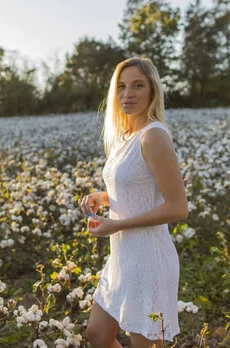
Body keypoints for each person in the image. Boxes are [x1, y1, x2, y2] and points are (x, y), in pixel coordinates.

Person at [80, 56, 188, 348]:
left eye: (137, 86)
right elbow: (137, 186)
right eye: (122, 86)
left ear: (152, 91)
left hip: (149, 259)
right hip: (123, 256)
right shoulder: (125, 136)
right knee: (98, 335)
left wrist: (117, 225)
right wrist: (102, 197)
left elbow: (178, 207)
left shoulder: (153, 136)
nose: (127, 94)